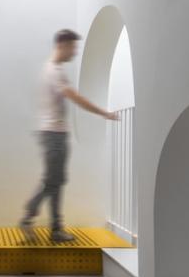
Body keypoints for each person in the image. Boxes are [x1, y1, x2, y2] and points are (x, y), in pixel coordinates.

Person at [20, 29, 119, 243]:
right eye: (73, 47)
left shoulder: (52, 70)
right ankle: (29, 216)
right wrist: (104, 113)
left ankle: (56, 229)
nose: (74, 52)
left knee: (56, 181)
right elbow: (76, 98)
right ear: (62, 45)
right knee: (53, 181)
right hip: (54, 136)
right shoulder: (54, 71)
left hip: (55, 134)